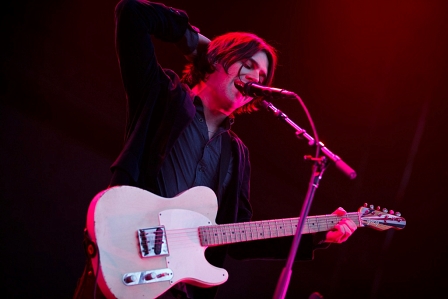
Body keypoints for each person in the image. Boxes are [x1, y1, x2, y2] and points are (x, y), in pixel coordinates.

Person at [73, 0, 357, 298]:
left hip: (177, 289)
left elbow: (240, 237)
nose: (254, 79)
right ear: (217, 59)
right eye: (247, 65)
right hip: (121, 263)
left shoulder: (236, 154)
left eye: (261, 77)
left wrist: (317, 235)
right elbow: (132, 14)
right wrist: (197, 43)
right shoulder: (162, 95)